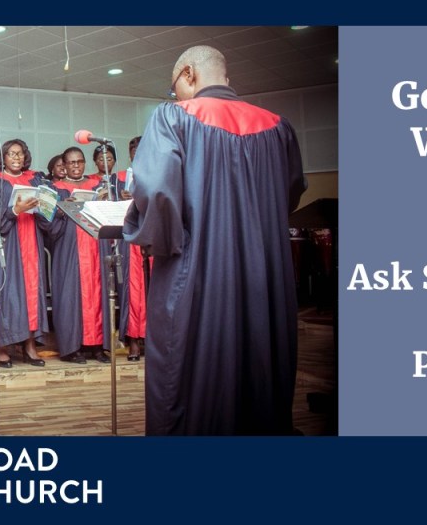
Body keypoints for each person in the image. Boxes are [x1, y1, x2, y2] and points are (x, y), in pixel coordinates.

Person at [124, 45, 306, 435]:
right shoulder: (278, 126)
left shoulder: (173, 117)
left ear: (188, 74)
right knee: (261, 362)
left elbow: (156, 192)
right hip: (266, 271)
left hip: (197, 268)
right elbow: (291, 193)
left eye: (175, 87)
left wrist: (157, 240)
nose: (175, 96)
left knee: (187, 367)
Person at [0, 139, 53, 367]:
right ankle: (2, 347)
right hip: (7, 243)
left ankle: (29, 344)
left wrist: (44, 205)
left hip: (32, 240)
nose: (16, 158)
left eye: (20, 154)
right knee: (6, 294)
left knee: (32, 292)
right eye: (11, 154)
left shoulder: (35, 180)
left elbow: (48, 215)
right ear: (3, 157)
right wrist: (15, 210)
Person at [49, 147, 111, 364]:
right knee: (70, 297)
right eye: (71, 163)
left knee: (97, 295)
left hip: (96, 248)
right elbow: (48, 225)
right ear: (63, 166)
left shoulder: (96, 186)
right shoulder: (55, 189)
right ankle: (71, 348)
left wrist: (103, 202)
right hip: (70, 250)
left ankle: (96, 346)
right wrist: (62, 208)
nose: (76, 166)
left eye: (79, 162)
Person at [117, 136, 147, 361]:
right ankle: (133, 342)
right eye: (132, 151)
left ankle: (155, 341)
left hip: (154, 236)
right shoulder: (120, 178)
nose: (136, 154)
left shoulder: (162, 172)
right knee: (133, 292)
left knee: (155, 292)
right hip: (131, 239)